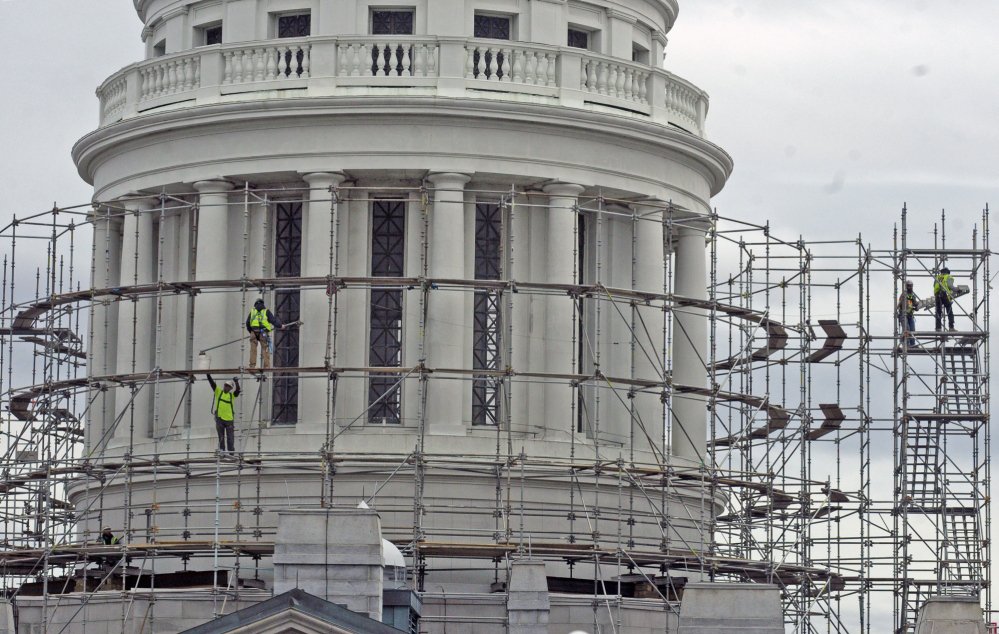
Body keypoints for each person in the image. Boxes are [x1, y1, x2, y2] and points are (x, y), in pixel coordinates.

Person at [208, 374, 241, 454]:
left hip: (229, 420)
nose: (226, 387)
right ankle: (222, 453)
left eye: (228, 386)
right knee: (221, 438)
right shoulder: (218, 392)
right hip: (220, 419)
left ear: (230, 388)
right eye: (225, 385)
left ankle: (231, 454)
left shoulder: (231, 395)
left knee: (230, 439)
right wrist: (208, 375)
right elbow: (212, 384)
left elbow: (237, 391)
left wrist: (236, 382)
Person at [246, 298, 282, 369]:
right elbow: (273, 321)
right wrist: (280, 325)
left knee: (253, 349)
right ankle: (266, 366)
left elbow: (247, 323)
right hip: (263, 332)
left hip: (254, 332)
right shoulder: (266, 311)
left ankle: (252, 366)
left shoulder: (252, 311)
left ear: (255, 304)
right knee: (265, 348)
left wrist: (251, 331)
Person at [897, 280, 919, 347]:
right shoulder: (903, 295)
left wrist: (917, 307)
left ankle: (912, 344)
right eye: (908, 286)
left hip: (910, 315)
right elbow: (899, 304)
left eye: (911, 286)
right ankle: (906, 343)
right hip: (903, 314)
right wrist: (896, 310)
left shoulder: (912, 295)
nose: (910, 287)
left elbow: (915, 304)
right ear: (906, 286)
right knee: (907, 329)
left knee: (912, 330)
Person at [933, 266, 956, 332]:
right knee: (949, 311)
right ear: (948, 272)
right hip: (944, 295)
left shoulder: (937, 277)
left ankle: (938, 328)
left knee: (938, 312)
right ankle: (951, 327)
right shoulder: (948, 277)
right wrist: (957, 290)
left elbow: (934, 286)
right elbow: (951, 286)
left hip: (937, 295)